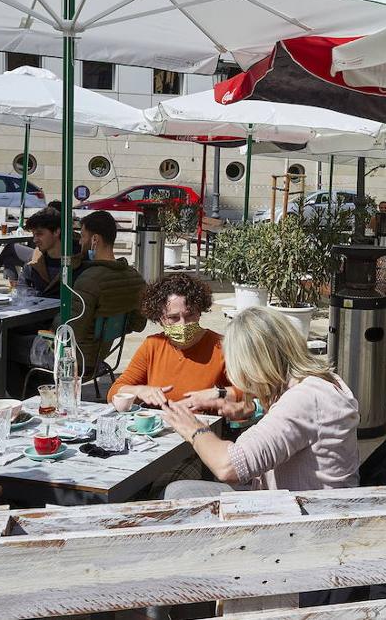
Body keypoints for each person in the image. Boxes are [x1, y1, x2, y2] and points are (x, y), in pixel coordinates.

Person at [160, 306, 360, 495]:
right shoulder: (321, 382)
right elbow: (299, 423)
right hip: (309, 505)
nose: (234, 375)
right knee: (181, 490)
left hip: (302, 519)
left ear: (253, 365)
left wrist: (194, 429)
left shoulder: (303, 399)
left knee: (176, 492)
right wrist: (251, 408)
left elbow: (228, 467)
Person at [107, 273, 235, 407]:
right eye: (173, 318)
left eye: (190, 315)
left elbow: (250, 393)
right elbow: (114, 393)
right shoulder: (153, 345)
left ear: (199, 312)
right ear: (161, 319)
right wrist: (139, 390)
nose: (183, 324)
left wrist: (220, 393)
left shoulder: (222, 346)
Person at [69, 211, 147, 370]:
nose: (80, 243)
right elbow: (139, 324)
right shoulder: (136, 278)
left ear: (95, 239)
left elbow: (72, 331)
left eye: (83, 236)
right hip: (102, 355)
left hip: (76, 360)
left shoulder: (89, 280)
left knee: (13, 345)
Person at [18, 207, 78, 298]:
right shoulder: (34, 262)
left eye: (39, 234)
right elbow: (21, 288)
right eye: (33, 235)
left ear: (56, 232)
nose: (34, 240)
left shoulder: (79, 263)